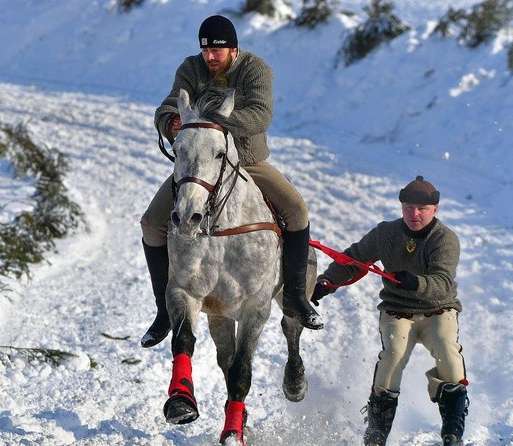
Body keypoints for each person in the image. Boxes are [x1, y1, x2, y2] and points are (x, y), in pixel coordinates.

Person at [139, 14, 318, 349]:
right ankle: (165, 311)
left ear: (234, 49)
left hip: (248, 162)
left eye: (217, 52)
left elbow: (260, 115)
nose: (210, 58)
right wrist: (172, 122)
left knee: (297, 211)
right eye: (205, 51)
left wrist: (214, 121)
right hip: (202, 166)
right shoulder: (190, 69)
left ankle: (295, 297)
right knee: (151, 224)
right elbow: (165, 107)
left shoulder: (256, 69)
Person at [311, 176, 469, 446]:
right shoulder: (386, 233)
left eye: (422, 209)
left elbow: (442, 283)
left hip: (438, 310)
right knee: (392, 355)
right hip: (398, 311)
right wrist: (327, 282)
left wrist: (416, 282)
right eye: (408, 207)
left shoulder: (445, 239)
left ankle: (452, 430)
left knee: (447, 349)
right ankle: (376, 434)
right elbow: (354, 259)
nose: (414, 214)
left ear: (435, 209)